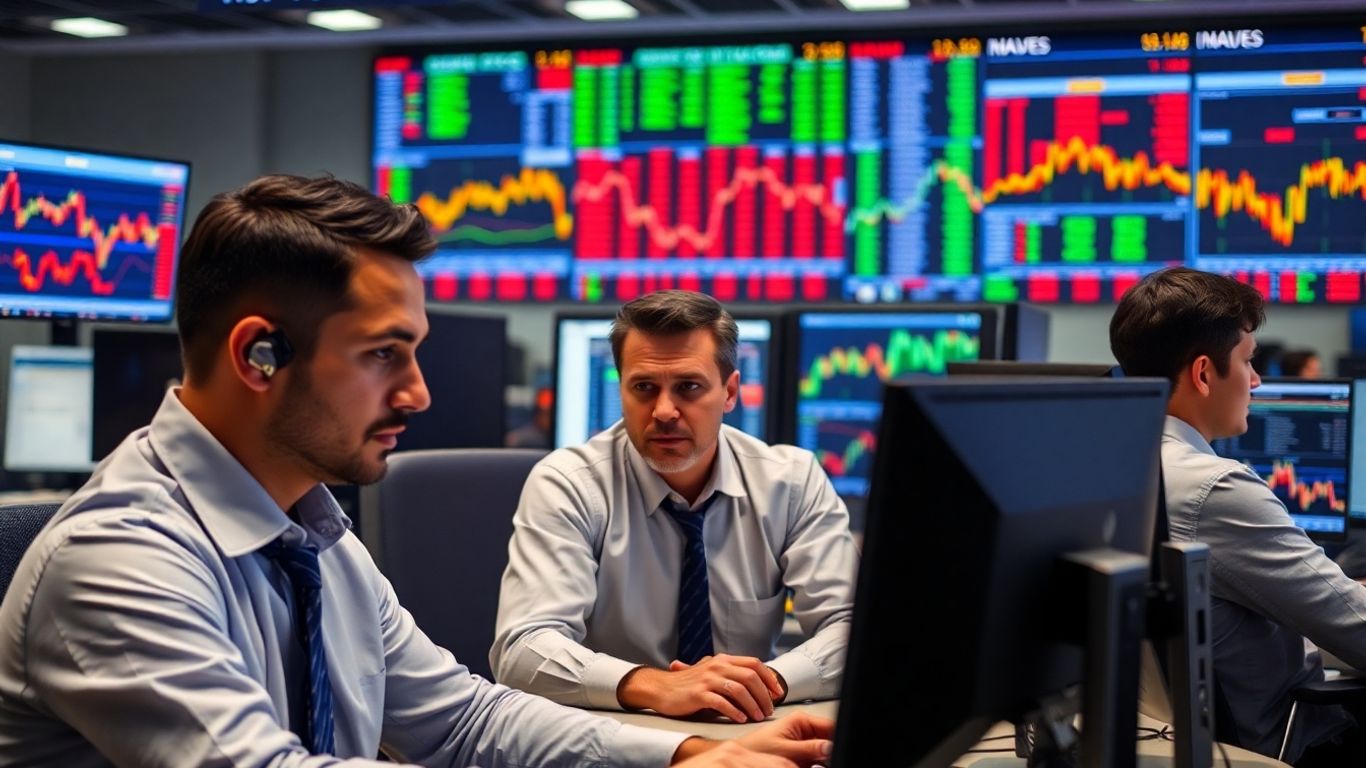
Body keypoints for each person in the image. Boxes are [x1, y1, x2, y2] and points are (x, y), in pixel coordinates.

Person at [0, 175, 832, 767]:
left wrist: (685, 756)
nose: (419, 392)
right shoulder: (119, 562)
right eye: (382, 356)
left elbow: (465, 722)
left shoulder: (316, 534)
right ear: (259, 354)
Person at [492, 290, 857, 724]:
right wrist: (658, 686)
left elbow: (853, 629)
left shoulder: (791, 483)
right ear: (621, 389)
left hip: (746, 730)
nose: (664, 411)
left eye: (689, 387)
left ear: (730, 392)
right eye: (644, 387)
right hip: (613, 737)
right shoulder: (569, 484)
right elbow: (523, 650)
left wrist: (755, 684)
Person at [1110, 267, 1366, 765]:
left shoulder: (1118, 459)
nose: (1256, 379)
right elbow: (1356, 629)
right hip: (1294, 742)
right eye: (1248, 361)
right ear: (1204, 373)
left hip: (1174, 734)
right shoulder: (1216, 487)